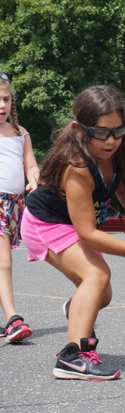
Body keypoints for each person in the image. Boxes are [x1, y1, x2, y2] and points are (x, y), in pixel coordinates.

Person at [21, 85, 125, 380]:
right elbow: (86, 233)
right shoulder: (78, 167)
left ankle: (76, 306)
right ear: (79, 129)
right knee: (97, 275)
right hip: (44, 223)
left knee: (101, 295)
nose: (111, 141)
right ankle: (73, 356)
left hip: (69, 224)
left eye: (118, 131)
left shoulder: (115, 155)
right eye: (102, 132)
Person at [0, 72, 39, 343]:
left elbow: (31, 165)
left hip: (15, 205)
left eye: (6, 99)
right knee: (4, 262)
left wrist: (35, 181)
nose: (2, 105)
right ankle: (13, 319)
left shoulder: (19, 132)